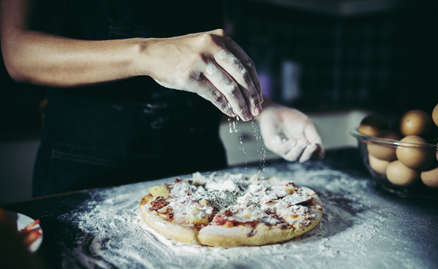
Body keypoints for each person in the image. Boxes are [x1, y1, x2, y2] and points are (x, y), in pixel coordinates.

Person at [1, 0, 324, 197]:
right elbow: (17, 52)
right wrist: (147, 55)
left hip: (199, 169)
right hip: (86, 172)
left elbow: (197, 64)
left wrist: (259, 107)